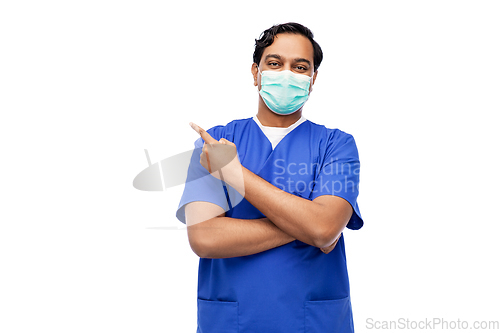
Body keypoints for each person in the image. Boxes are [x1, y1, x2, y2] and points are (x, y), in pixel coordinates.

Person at [176, 22, 364, 333]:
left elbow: (324, 228)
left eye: (300, 66)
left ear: (313, 78)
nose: (287, 74)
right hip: (232, 321)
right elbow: (205, 238)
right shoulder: (215, 143)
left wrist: (233, 172)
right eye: (275, 63)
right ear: (256, 72)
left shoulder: (337, 144)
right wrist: (308, 225)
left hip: (313, 322)